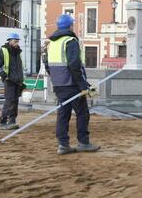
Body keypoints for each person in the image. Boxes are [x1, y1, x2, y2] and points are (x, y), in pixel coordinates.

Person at [43, 14, 100, 155]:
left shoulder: (52, 43)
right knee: (82, 113)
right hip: (72, 84)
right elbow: (74, 64)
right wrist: (82, 85)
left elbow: (47, 64)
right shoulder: (70, 41)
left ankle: (63, 144)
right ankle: (83, 142)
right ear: (70, 26)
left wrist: (56, 79)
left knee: (63, 114)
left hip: (58, 85)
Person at [0, 32, 25, 130]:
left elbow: (19, 68)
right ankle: (3, 121)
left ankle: (12, 121)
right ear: (9, 41)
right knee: (9, 101)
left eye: (17, 41)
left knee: (15, 102)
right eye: (15, 41)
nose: (16, 43)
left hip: (17, 81)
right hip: (9, 81)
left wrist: (21, 81)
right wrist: (4, 76)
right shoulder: (3, 51)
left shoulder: (18, 52)